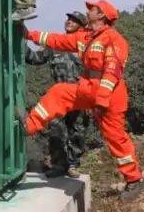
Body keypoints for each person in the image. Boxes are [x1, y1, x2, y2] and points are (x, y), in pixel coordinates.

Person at [23, 0, 144, 201]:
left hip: (109, 97)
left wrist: (101, 101)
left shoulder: (113, 39)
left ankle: (134, 180)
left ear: (102, 16)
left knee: (116, 138)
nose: (88, 11)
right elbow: (57, 40)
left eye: (92, 9)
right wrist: (29, 34)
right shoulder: (87, 37)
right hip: (89, 89)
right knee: (59, 92)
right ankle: (28, 126)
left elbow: (112, 71)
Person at [25, 11, 93, 178]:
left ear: (82, 26)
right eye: (68, 19)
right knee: (55, 131)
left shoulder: (85, 46)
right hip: (58, 99)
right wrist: (21, 43)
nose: (69, 21)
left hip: (79, 96)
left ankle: (72, 165)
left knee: (77, 132)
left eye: (74, 20)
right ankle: (59, 165)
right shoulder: (55, 45)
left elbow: (94, 71)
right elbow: (35, 58)